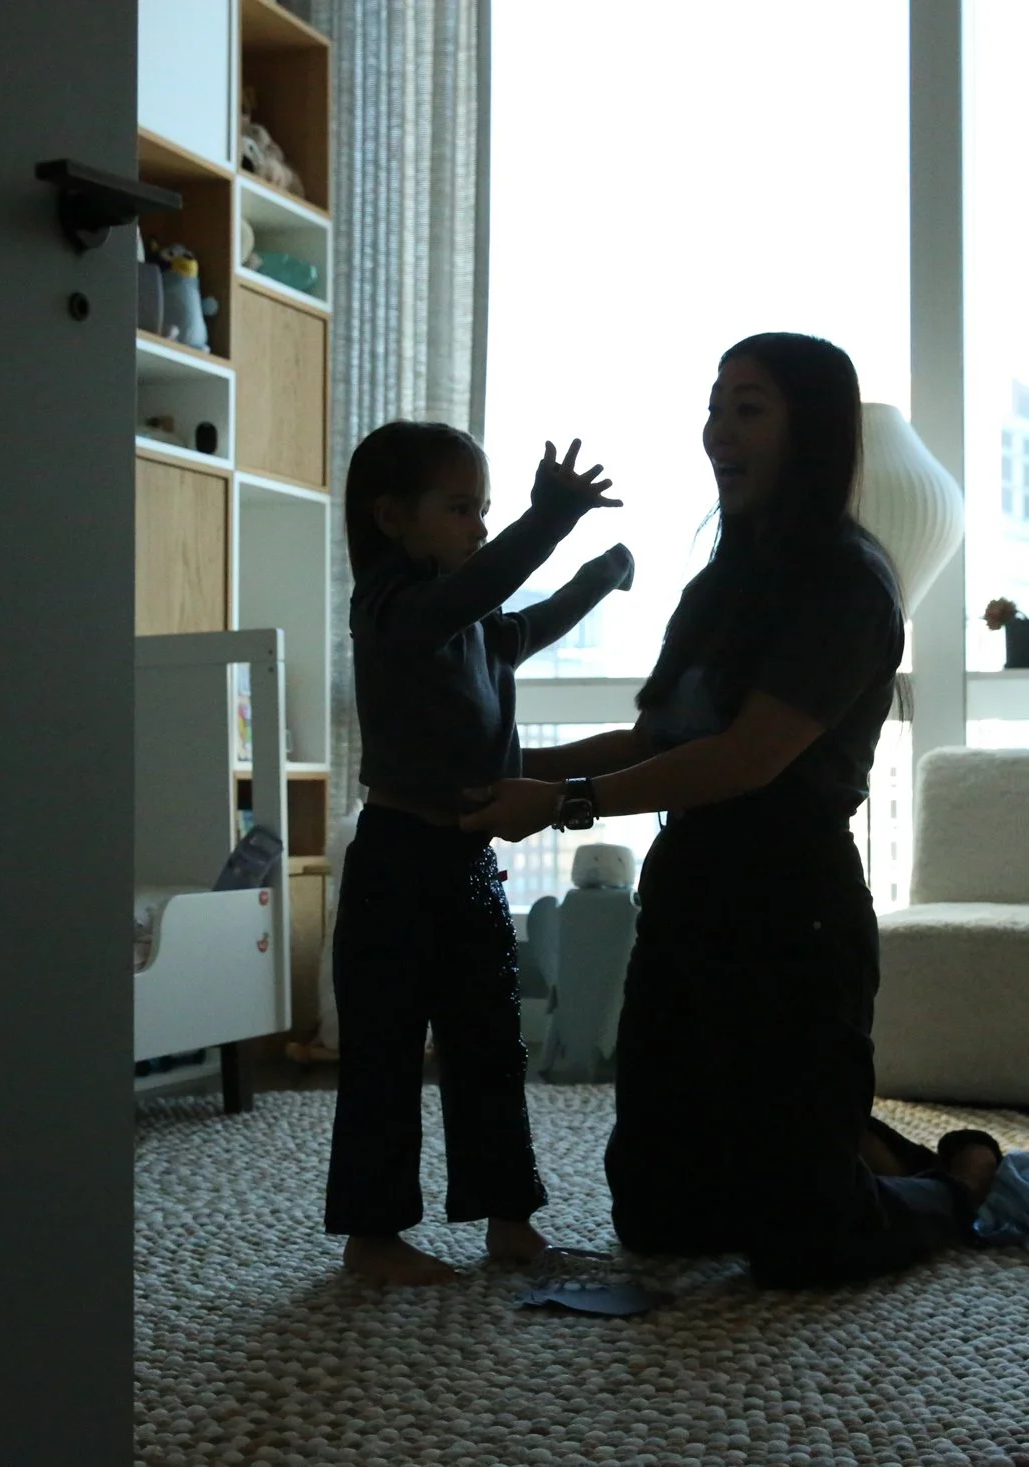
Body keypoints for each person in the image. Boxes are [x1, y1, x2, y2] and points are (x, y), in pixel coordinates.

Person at [462, 333, 1002, 1288]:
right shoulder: (720, 579)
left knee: (806, 1247)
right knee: (661, 1221)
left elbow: (748, 757)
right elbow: (656, 739)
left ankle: (954, 1181)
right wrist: (506, 765)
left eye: (748, 408)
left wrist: (560, 805)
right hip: (688, 905)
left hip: (796, 915)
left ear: (815, 429)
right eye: (715, 408)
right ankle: (840, 1140)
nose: (718, 431)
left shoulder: (850, 581)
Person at [327, 420, 635, 1286]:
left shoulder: (468, 624)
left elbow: (523, 623)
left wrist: (600, 577)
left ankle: (510, 1219)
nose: (478, 528)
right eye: (463, 509)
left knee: (489, 1044)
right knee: (386, 1053)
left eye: (485, 510)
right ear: (391, 516)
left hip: (464, 859)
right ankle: (373, 1235)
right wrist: (550, 521)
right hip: (394, 861)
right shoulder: (393, 610)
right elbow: (486, 586)